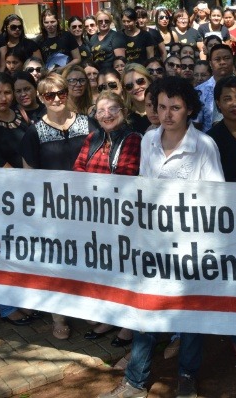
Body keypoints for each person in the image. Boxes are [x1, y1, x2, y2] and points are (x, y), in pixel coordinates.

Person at [108, 76, 224, 398]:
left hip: (190, 247)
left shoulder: (204, 145)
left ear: (189, 109)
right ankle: (135, 381)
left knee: (189, 317)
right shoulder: (147, 140)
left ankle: (187, 377)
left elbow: (216, 198)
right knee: (147, 311)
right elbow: (144, 186)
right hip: (152, 244)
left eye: (176, 107)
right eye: (162, 107)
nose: (168, 114)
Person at [20, 73, 90, 340]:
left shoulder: (87, 123)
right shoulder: (34, 132)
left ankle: (88, 306)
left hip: (87, 206)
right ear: (41, 98)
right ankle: (58, 315)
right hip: (53, 209)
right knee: (56, 262)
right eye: (50, 95)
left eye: (61, 92)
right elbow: (29, 175)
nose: (58, 98)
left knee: (86, 256)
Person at [74, 91, 142, 342]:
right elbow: (77, 170)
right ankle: (109, 319)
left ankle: (128, 324)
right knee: (102, 270)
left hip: (122, 219)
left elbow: (125, 176)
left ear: (124, 112)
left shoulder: (134, 139)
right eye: (101, 110)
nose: (107, 115)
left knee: (124, 271)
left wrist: (95, 187)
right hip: (94, 217)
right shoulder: (92, 138)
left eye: (113, 109)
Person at [123, 64, 153, 134]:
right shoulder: (125, 118)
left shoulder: (162, 110)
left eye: (140, 81)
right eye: (129, 86)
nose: (136, 87)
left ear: (149, 81)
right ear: (125, 91)